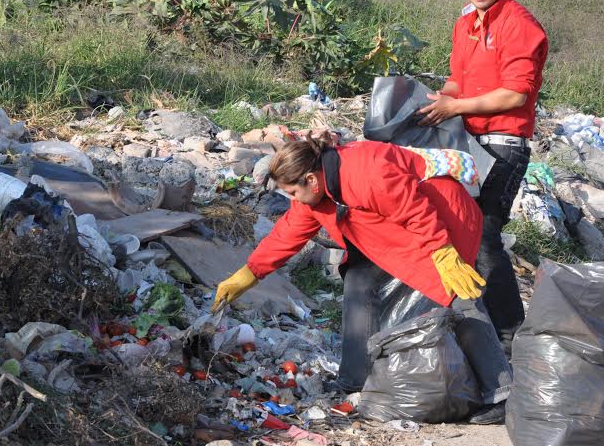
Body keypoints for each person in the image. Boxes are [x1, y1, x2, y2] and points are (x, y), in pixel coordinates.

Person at [212, 134, 513, 425]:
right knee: (359, 282)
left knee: (458, 293)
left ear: (311, 180)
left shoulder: (366, 169)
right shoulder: (313, 197)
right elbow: (286, 234)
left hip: (442, 220)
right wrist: (249, 274)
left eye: (292, 192)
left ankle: (500, 394)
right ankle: (356, 380)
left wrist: (443, 252)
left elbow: (416, 209)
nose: (293, 200)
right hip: (388, 230)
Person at [417, 0, 549, 357]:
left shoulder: (520, 25)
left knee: (485, 235)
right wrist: (437, 101)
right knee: (460, 232)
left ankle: (513, 338)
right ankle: (483, 332)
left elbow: (515, 95)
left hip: (503, 146)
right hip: (467, 144)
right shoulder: (465, 25)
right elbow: (457, 80)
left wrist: (456, 106)